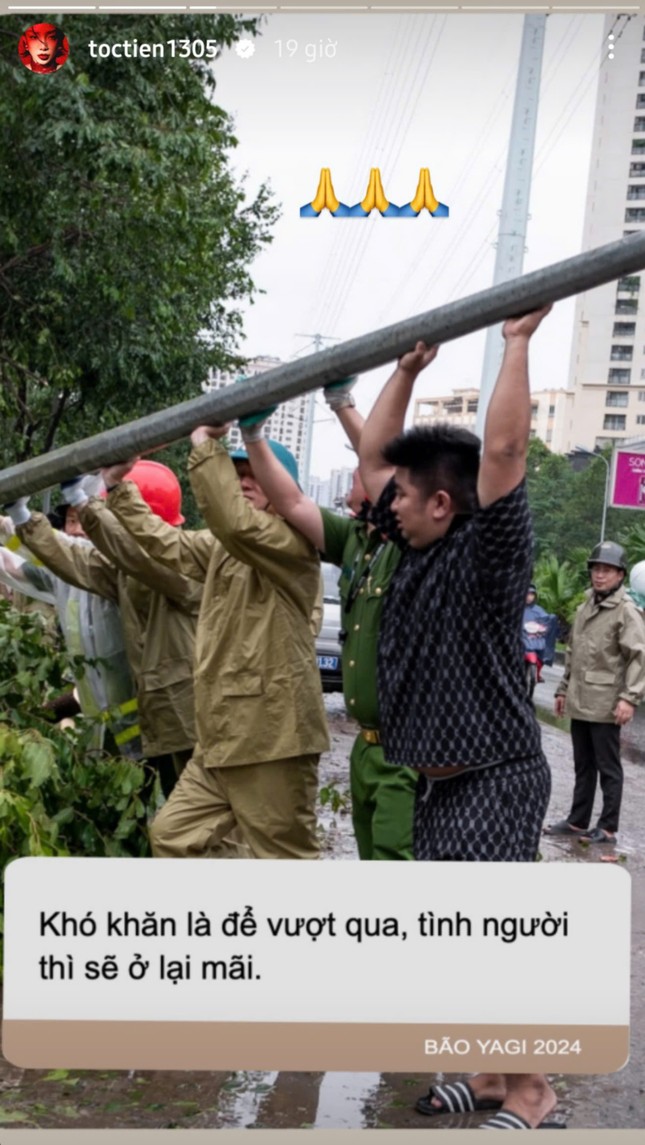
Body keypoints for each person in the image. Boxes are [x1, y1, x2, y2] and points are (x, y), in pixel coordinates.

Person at [358, 305, 562, 1129]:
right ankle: (483, 1076)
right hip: (442, 783)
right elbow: (375, 457)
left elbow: (504, 452)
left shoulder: (483, 556)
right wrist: (404, 370)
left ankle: (531, 1090)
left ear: (442, 502)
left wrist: (514, 343)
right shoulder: (406, 547)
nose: (387, 503)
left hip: (496, 774)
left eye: (404, 496)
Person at [99, 431, 329, 860]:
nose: (243, 481)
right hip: (221, 736)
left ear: (284, 492)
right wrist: (118, 488)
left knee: (282, 858)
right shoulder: (225, 548)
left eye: (254, 475)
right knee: (173, 835)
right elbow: (167, 542)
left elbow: (235, 522)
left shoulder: (291, 544)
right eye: (236, 473)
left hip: (270, 737)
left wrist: (206, 445)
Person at [236, 378, 417, 861]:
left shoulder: (412, 549)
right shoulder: (356, 540)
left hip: (407, 752)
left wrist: (342, 406)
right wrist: (253, 438)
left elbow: (389, 466)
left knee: (399, 872)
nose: (359, 475)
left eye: (362, 470)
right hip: (367, 747)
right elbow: (293, 502)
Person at [7, 461, 201, 803]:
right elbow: (75, 560)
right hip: (151, 723)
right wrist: (22, 518)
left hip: (186, 724)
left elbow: (130, 555)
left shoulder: (179, 569)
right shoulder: (122, 570)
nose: (84, 531)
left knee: (188, 819)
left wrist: (83, 497)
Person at [0, 506, 141, 757]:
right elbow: (19, 559)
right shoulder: (62, 578)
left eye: (86, 523)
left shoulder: (129, 577)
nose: (76, 531)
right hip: (96, 727)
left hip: (147, 728)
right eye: (71, 521)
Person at [545, 541, 645, 844]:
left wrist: (629, 698)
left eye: (607, 570)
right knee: (583, 764)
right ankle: (577, 821)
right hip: (580, 698)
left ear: (620, 575)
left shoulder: (626, 611)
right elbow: (573, 652)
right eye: (596, 569)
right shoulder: (585, 607)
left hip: (606, 702)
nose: (600, 575)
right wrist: (562, 690)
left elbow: (638, 656)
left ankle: (608, 825)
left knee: (608, 766)